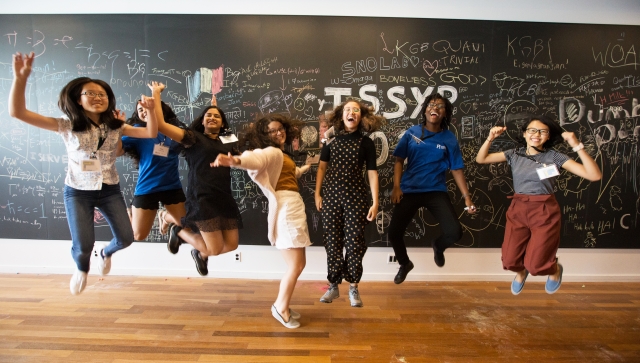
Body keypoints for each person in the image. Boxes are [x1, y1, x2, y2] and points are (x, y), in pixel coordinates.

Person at [8, 52, 158, 295]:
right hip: (78, 191)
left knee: (127, 238)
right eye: (91, 93)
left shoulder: (116, 125)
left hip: (110, 189)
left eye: (103, 94)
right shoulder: (66, 125)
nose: (98, 98)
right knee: (83, 245)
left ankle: (106, 252)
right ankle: (81, 268)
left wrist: (151, 110)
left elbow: (151, 133)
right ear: (78, 99)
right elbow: (18, 113)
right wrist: (21, 78)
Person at [476, 115, 601, 295]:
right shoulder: (514, 154)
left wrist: (576, 145)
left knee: (536, 266)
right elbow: (482, 159)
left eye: (543, 131)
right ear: (524, 134)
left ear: (548, 136)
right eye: (532, 130)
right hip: (518, 207)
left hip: (544, 210)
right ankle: (520, 273)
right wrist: (490, 138)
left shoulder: (555, 156)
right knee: (510, 260)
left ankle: (554, 269)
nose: (537, 134)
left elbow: (594, 175)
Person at [213, 114, 311, 329]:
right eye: (273, 131)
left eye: (281, 129)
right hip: (286, 209)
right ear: (265, 135)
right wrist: (235, 161)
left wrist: (304, 168)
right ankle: (280, 307)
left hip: (293, 206)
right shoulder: (271, 152)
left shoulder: (282, 155)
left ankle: (283, 303)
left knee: (298, 264)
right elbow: (255, 159)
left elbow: (290, 173)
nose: (279, 133)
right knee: (296, 265)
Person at [149, 82, 242, 276]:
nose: (212, 117)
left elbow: (242, 159)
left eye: (217, 116)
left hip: (224, 197)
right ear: (202, 120)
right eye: (208, 115)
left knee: (232, 245)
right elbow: (162, 125)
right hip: (203, 196)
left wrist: (214, 105)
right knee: (214, 249)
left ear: (223, 123)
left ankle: (199, 253)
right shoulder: (193, 137)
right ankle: (175, 227)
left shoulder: (228, 141)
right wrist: (156, 94)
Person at [389, 93, 476, 285]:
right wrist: (396, 187)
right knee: (393, 233)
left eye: (440, 106)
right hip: (409, 190)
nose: (434, 108)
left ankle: (438, 245)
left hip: (435, 191)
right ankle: (404, 264)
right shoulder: (412, 133)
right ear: (425, 109)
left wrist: (467, 198)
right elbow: (398, 160)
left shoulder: (449, 139)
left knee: (454, 232)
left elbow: (457, 169)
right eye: (430, 104)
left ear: (445, 113)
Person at [314, 100, 381, 307]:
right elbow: (322, 169)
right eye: (347, 110)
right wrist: (318, 194)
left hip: (357, 199)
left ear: (361, 116)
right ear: (341, 116)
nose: (351, 113)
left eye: (356, 110)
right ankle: (333, 286)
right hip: (331, 198)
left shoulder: (366, 143)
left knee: (355, 243)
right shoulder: (331, 142)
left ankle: (353, 287)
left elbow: (372, 173)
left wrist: (375, 202)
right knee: (332, 242)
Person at [119, 98, 186, 242]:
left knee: (186, 226)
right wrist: (115, 129)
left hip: (172, 186)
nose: (144, 111)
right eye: (140, 110)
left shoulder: (173, 129)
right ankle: (130, 214)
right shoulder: (138, 130)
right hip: (148, 187)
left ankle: (164, 216)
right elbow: (118, 150)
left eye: (147, 107)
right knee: (138, 236)